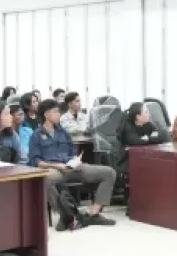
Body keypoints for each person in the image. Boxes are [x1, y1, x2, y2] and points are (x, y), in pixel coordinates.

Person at [29, 99, 116, 230]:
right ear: (46, 115)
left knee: (109, 172)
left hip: (72, 167)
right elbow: (36, 161)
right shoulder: (36, 135)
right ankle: (66, 215)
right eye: (56, 112)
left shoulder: (63, 132)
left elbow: (73, 151)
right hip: (55, 169)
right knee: (44, 179)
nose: (59, 114)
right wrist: (57, 166)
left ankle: (93, 214)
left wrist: (76, 160)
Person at [118, 102, 168, 173]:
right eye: (146, 112)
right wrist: (151, 138)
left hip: (144, 157)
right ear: (138, 116)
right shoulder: (127, 126)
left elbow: (160, 136)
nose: (149, 114)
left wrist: (147, 138)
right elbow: (136, 142)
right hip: (128, 160)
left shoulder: (148, 124)